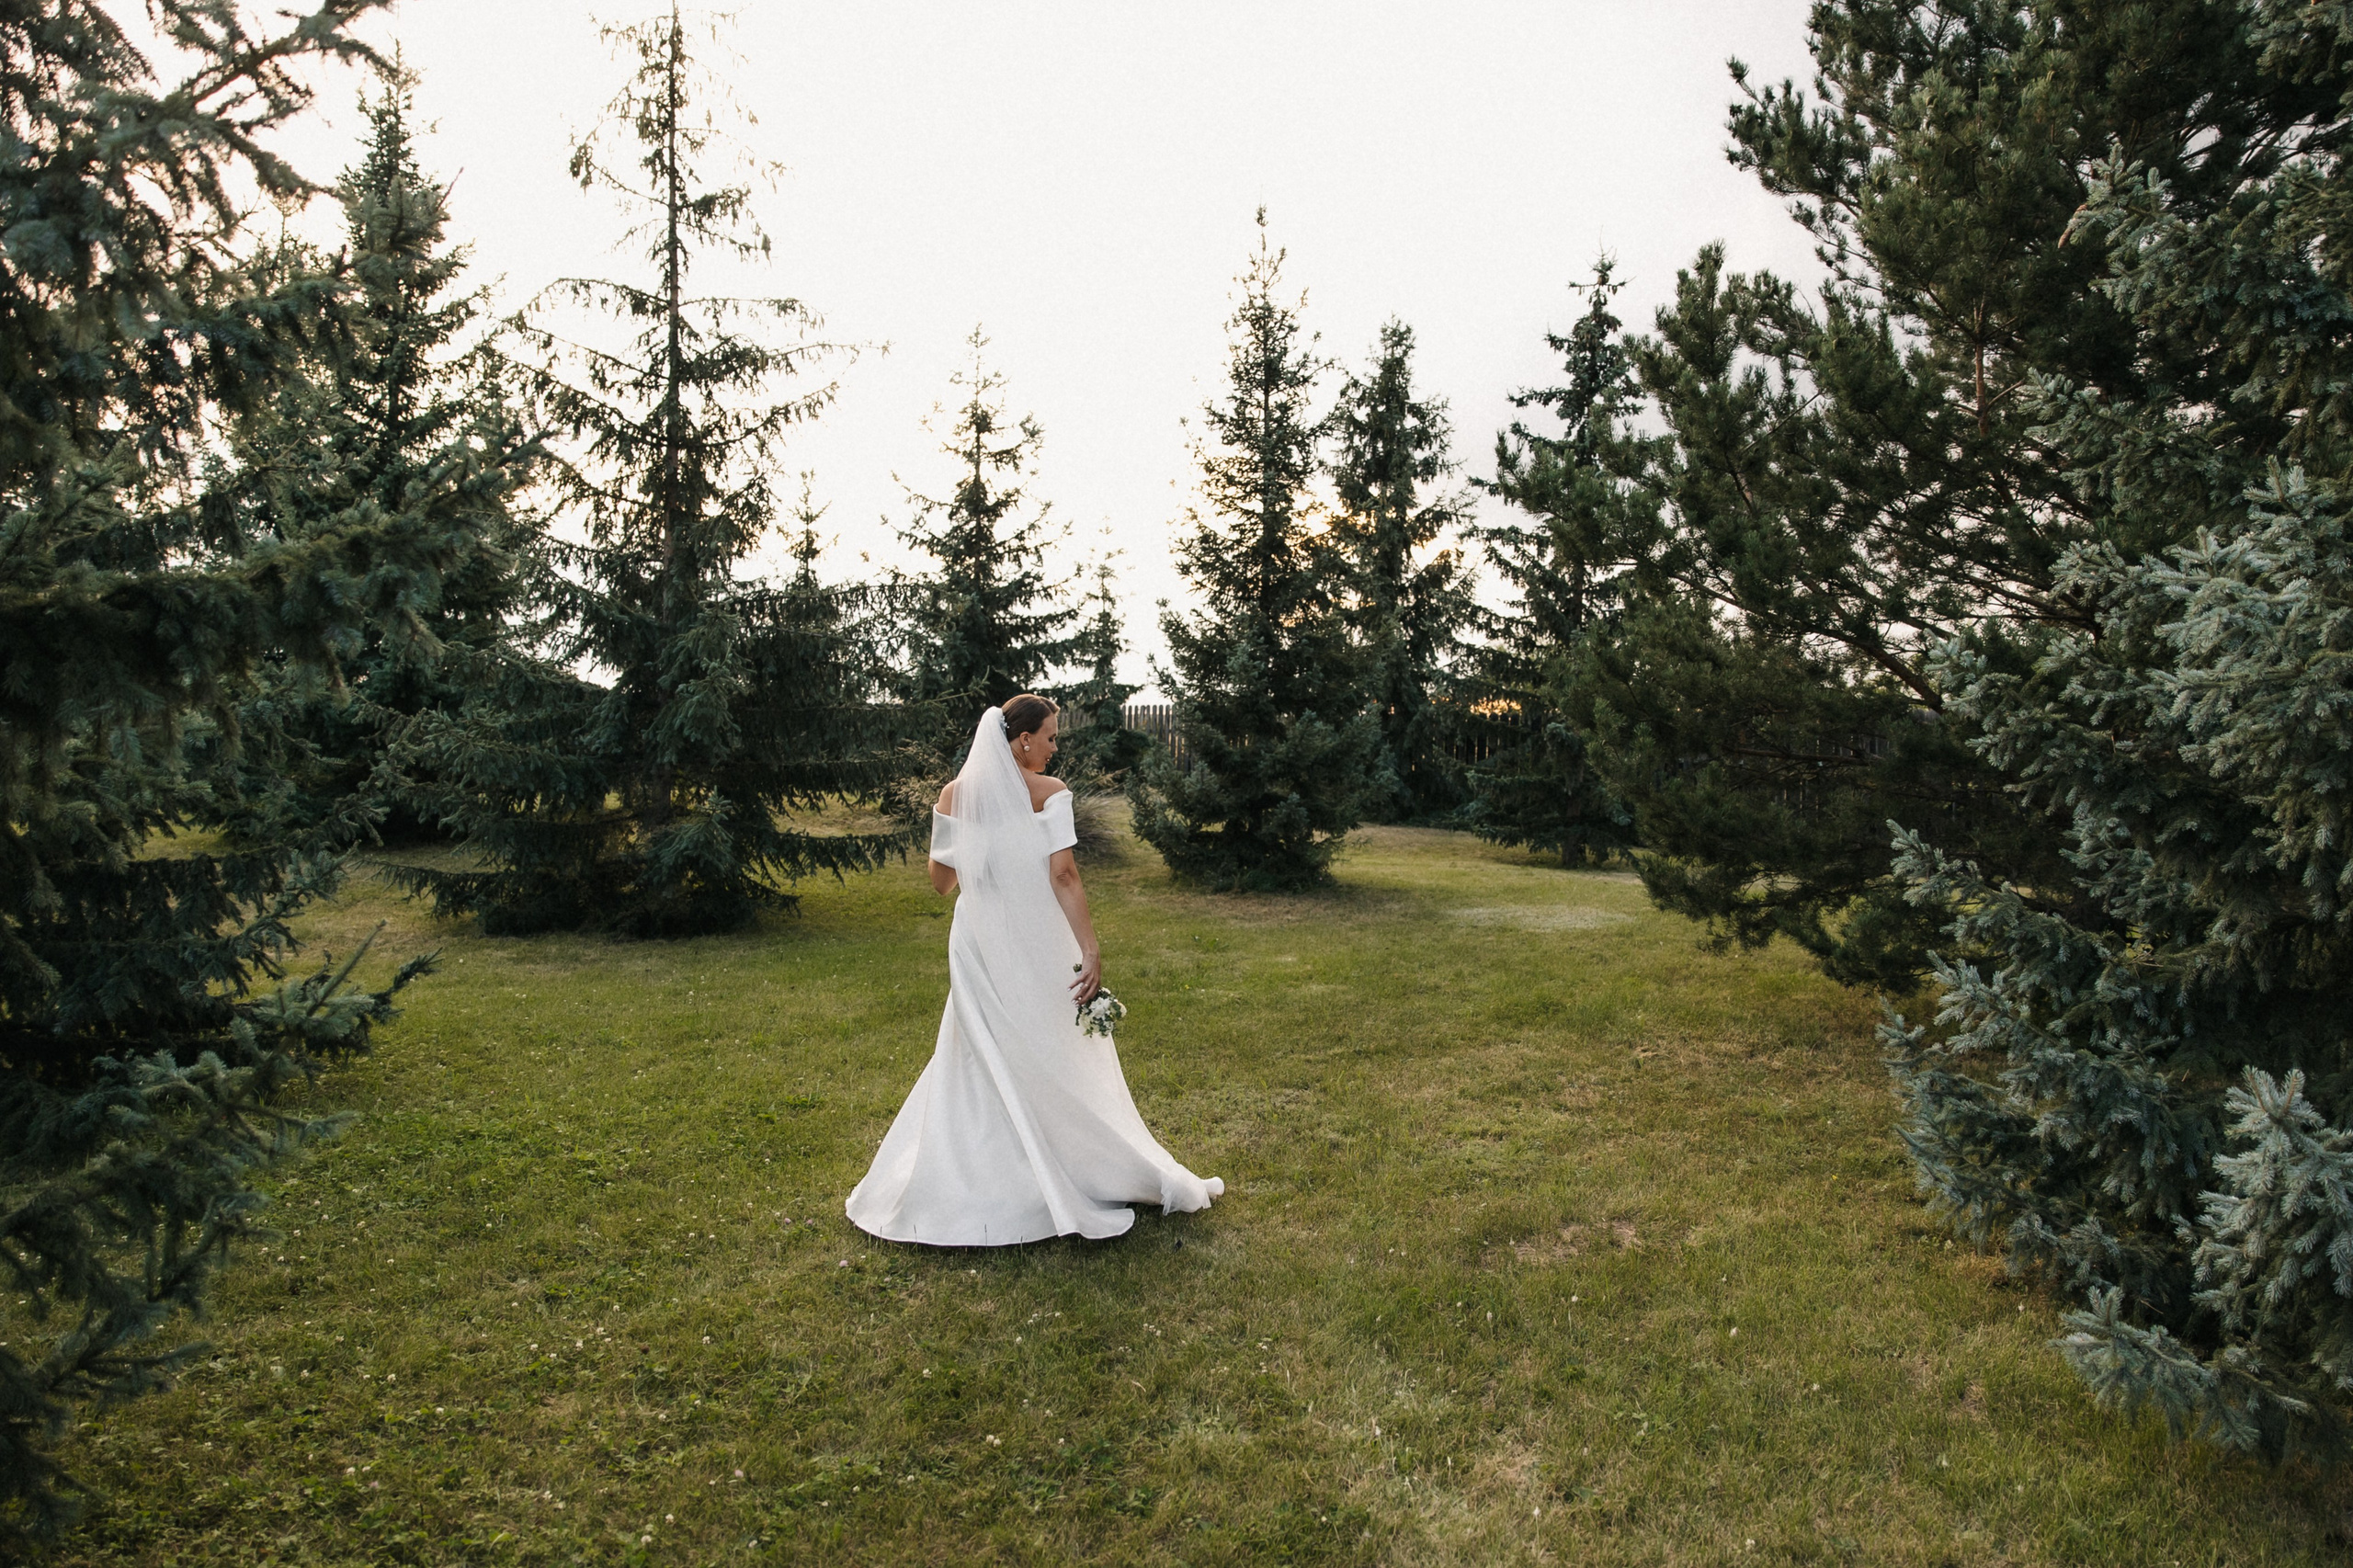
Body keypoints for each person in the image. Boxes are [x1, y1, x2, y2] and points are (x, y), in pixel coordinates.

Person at [846, 695, 1224, 1244]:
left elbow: (941, 882)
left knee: (981, 1049)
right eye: (1049, 737)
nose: (1054, 747)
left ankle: (978, 1176)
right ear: (1023, 740)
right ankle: (1063, 1163)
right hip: (1035, 937)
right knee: (1049, 1046)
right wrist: (1090, 950)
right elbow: (1064, 876)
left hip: (976, 939)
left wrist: (972, 833)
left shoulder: (955, 795)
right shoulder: (1052, 795)